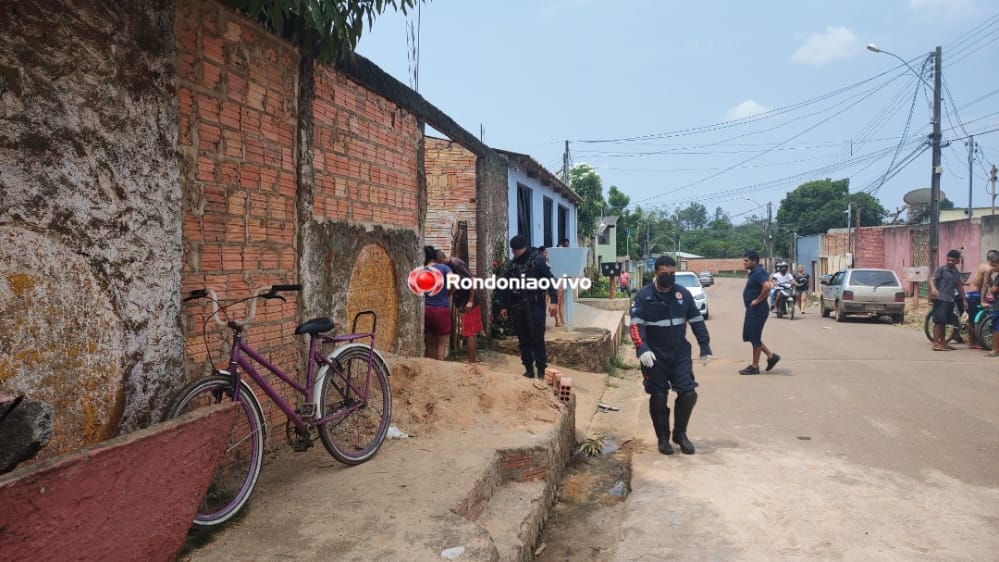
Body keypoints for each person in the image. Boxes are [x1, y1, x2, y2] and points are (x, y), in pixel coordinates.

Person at [630, 255, 712, 455]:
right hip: (654, 354)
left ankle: (680, 434)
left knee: (688, 393)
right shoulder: (644, 296)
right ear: (656, 274)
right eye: (664, 274)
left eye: (671, 274)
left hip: (679, 352)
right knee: (658, 396)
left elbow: (696, 321)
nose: (668, 277)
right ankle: (663, 438)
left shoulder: (682, 294)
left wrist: (705, 346)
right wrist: (642, 348)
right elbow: (635, 325)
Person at [498, 235, 558, 378]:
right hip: (518, 306)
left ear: (523, 248)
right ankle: (529, 370)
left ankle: (541, 371)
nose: (514, 253)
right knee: (523, 338)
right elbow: (504, 286)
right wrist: (503, 306)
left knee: (537, 337)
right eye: (513, 250)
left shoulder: (537, 261)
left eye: (516, 250)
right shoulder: (513, 265)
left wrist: (554, 301)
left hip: (536, 304)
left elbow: (550, 280)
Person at [437, 250, 482, 363]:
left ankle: (472, 363)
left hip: (468, 303)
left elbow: (471, 280)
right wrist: (448, 294)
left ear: (441, 260)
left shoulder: (456, 263)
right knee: (470, 332)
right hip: (464, 301)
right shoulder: (450, 267)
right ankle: (473, 360)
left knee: (469, 332)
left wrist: (470, 301)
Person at [741, 250, 780, 375]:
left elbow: (767, 287)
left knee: (755, 337)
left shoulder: (759, 272)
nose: (744, 263)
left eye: (746, 261)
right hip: (752, 310)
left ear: (754, 261)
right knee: (749, 335)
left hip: (758, 310)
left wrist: (757, 301)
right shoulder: (754, 273)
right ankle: (770, 356)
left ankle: (755, 366)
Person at [929, 249, 968, 351]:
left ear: (957, 261)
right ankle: (935, 344)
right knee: (938, 322)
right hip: (940, 298)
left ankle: (943, 343)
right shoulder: (941, 269)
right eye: (948, 260)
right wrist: (933, 289)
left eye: (953, 260)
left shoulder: (956, 272)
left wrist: (964, 299)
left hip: (950, 300)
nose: (950, 262)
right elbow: (932, 279)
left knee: (944, 323)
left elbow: (959, 286)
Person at [963, 249, 999, 349]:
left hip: (970, 293)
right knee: (973, 320)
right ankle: (972, 342)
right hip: (975, 295)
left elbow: (989, 281)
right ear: (993, 262)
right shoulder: (989, 269)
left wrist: (993, 288)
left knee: (971, 318)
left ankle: (971, 338)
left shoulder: (982, 265)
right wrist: (982, 300)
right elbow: (985, 284)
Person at [422, 246, 452, 360]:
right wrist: (448, 293)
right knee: (441, 345)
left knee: (429, 344)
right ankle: (440, 374)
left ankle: (428, 372)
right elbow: (454, 283)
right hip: (441, 309)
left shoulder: (421, 270)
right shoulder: (444, 268)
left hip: (426, 309)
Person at [553, 239, 570, 327]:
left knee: (561, 302)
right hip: (557, 282)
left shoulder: (563, 259)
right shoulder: (554, 260)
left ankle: (562, 319)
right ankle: (557, 321)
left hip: (562, 281)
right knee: (557, 301)